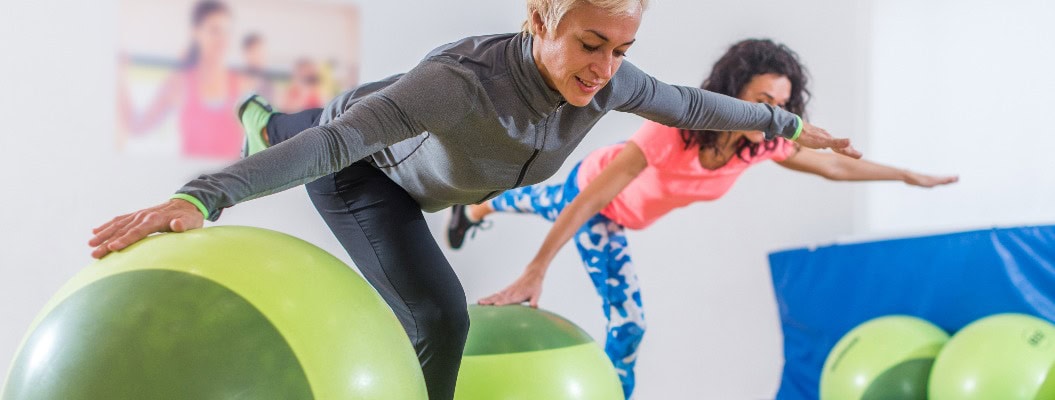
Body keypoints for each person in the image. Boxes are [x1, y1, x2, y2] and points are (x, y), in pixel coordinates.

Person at [90, 2, 858, 398]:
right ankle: (267, 126)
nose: (604, 68)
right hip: (366, 174)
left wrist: (786, 124)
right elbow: (332, 150)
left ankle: (268, 120)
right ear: (537, 22)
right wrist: (201, 196)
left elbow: (694, 105)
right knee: (437, 313)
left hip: (410, 154)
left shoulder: (612, 83)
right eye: (590, 43)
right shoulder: (459, 83)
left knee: (329, 120)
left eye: (620, 49)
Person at [447, 38, 957, 398]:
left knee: (538, 200)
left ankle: (476, 206)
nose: (773, 114)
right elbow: (586, 205)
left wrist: (906, 176)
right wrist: (535, 272)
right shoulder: (669, 133)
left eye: (782, 103)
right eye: (762, 101)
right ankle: (480, 205)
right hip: (598, 200)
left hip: (624, 213)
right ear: (732, 94)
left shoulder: (759, 148)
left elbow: (831, 168)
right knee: (626, 318)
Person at [117, 0, 253, 159]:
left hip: (234, 182)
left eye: (226, 31)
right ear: (196, 33)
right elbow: (137, 127)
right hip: (193, 181)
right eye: (214, 30)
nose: (222, 40)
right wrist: (120, 75)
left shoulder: (242, 84)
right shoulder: (179, 83)